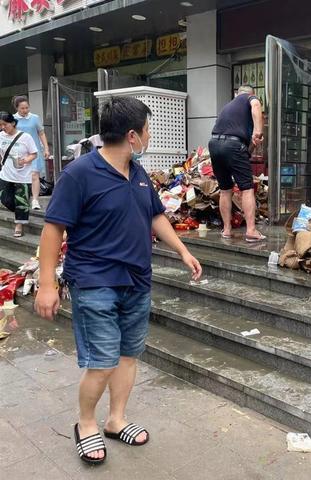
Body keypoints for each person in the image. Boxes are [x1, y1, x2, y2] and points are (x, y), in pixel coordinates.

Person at [34, 96, 202, 466]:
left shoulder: (138, 174)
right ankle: (86, 423)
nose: (149, 136)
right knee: (104, 361)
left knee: (128, 355)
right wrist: (47, 284)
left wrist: (182, 252)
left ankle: (115, 420)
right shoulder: (80, 174)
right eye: (147, 130)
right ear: (132, 134)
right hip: (95, 282)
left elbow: (155, 216)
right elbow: (53, 230)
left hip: (137, 280)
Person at [209, 84, 265, 242]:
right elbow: (256, 105)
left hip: (214, 144)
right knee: (247, 189)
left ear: (235, 94)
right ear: (251, 94)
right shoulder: (250, 99)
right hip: (233, 145)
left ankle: (226, 230)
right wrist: (258, 130)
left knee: (225, 189)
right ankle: (251, 230)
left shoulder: (229, 107)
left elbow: (247, 143)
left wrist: (250, 148)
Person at [0, 112, 38, 237]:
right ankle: (21, 212)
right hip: (6, 174)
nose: (3, 127)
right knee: (5, 199)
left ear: (13, 123)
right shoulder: (1, 136)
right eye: (1, 125)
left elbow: (34, 153)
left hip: (22, 175)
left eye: (5, 124)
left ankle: (19, 225)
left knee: (21, 201)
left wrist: (25, 160)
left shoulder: (25, 137)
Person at [14, 95, 50, 210]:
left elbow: (41, 133)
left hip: (34, 152)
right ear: (17, 108)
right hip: (19, 153)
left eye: (27, 108)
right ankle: (22, 200)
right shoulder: (12, 119)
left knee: (35, 175)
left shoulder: (34, 118)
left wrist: (46, 148)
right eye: (22, 108)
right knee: (21, 178)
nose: (25, 110)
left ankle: (35, 200)